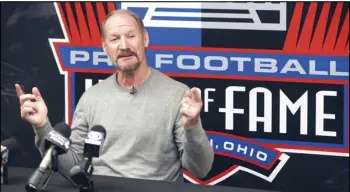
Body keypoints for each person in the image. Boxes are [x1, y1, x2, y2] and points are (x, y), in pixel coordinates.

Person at [15, 9, 214, 182]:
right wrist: (42, 126)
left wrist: (192, 126)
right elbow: (72, 165)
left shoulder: (177, 94)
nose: (124, 45)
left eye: (131, 36)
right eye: (114, 39)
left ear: (145, 38)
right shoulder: (92, 97)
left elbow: (201, 169)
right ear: (104, 47)